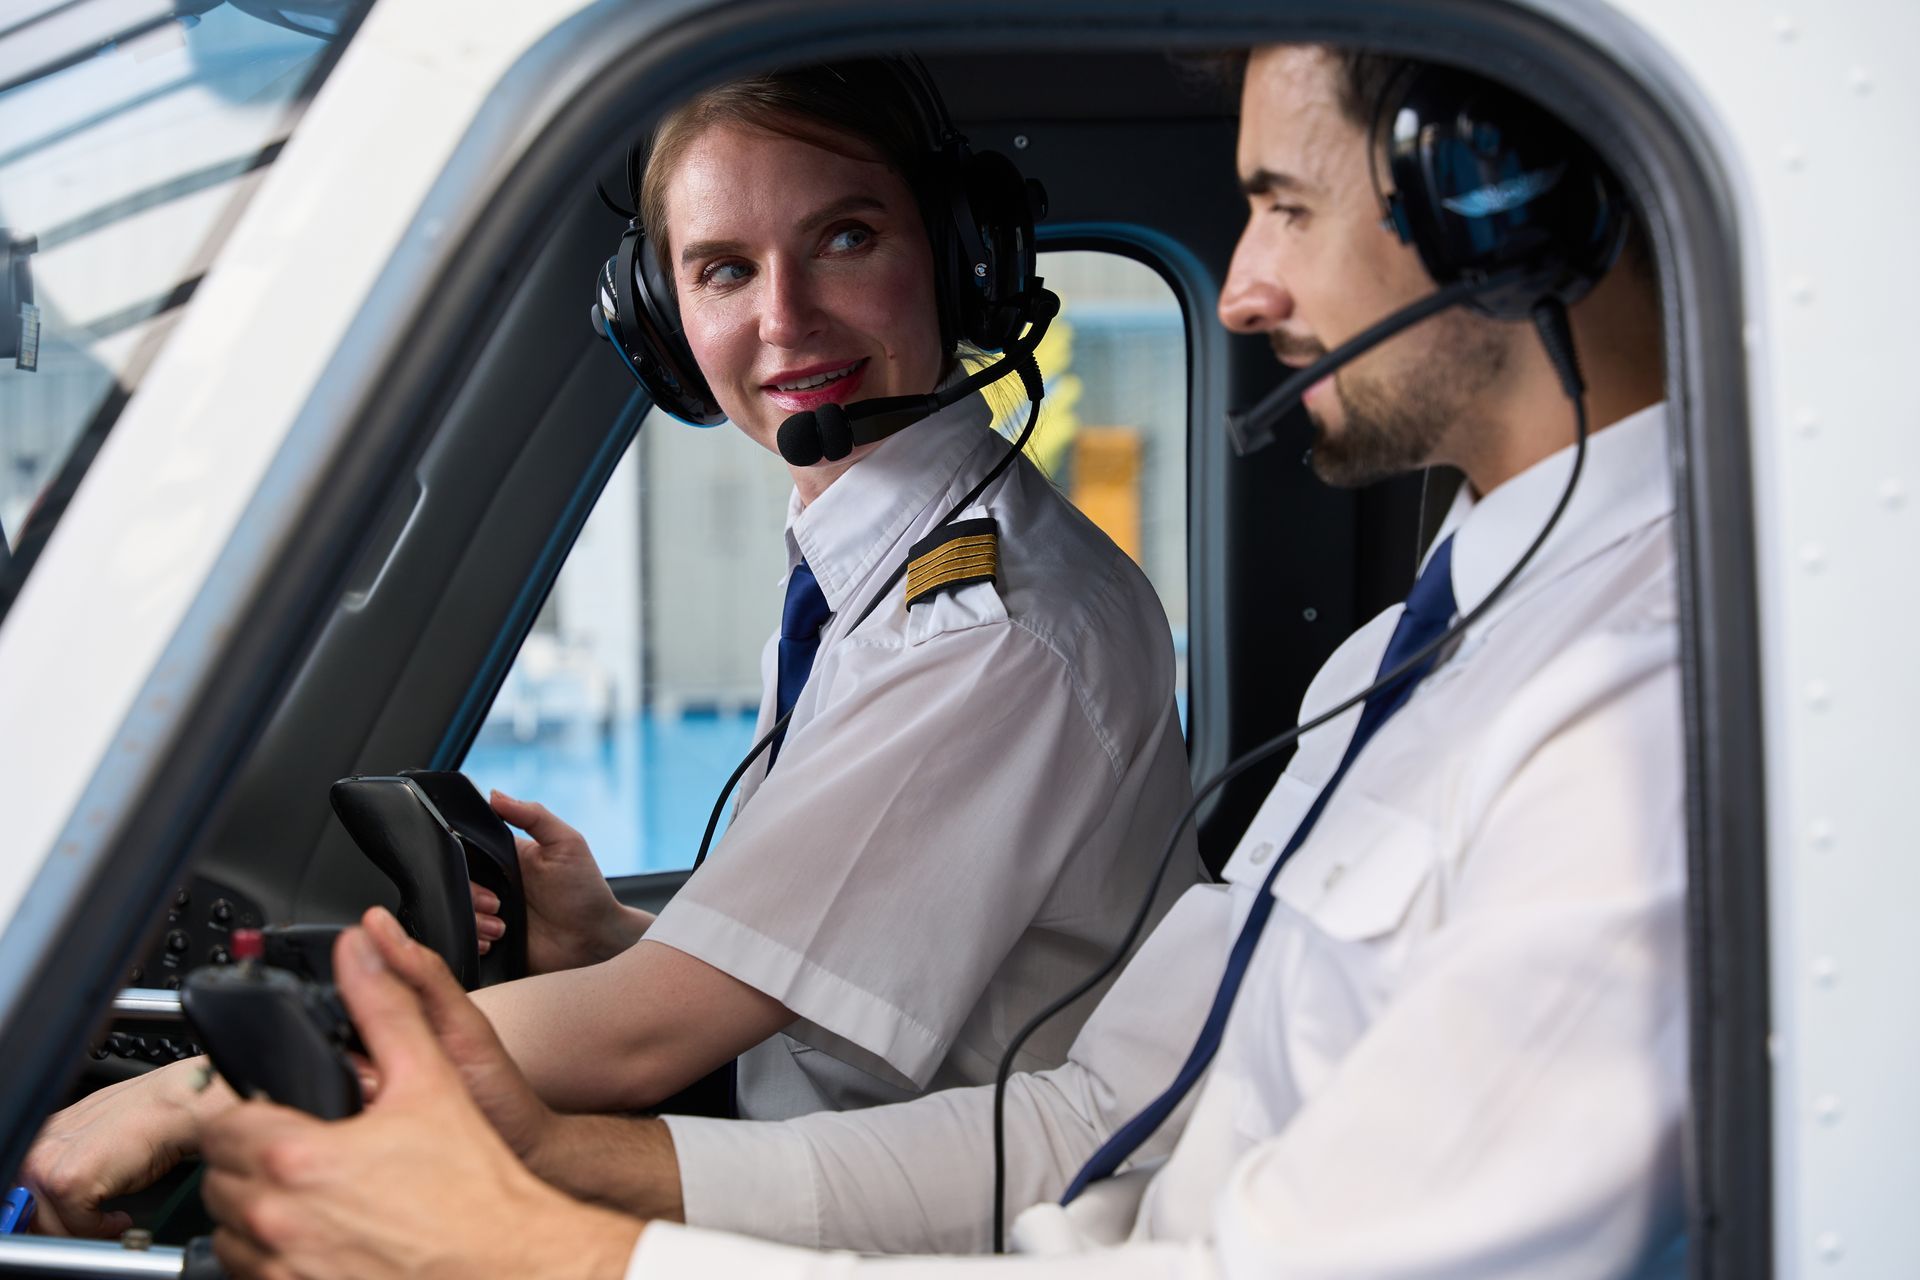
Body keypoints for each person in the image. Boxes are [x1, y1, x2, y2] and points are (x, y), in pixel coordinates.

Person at [195, 41, 1685, 1276]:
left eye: (1283, 205)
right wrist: (557, 1158)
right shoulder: (1419, 644)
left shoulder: (1634, 707)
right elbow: (1098, 1119)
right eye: (716, 271)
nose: (1239, 291)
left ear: (1495, 206)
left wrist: (555, 1240)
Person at [18, 58, 1199, 1236]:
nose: (784, 318)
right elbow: (870, 960)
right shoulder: (875, 563)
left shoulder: (989, 634)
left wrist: (187, 1095)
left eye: (844, 237)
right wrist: (616, 934)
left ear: (955, 255)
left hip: (934, 1233)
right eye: (724, 269)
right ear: (661, 314)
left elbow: (643, 1034)